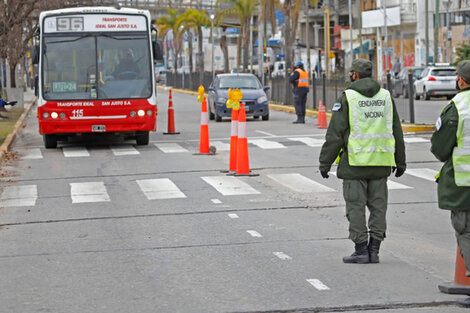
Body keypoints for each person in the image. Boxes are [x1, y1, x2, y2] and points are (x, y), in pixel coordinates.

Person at [319, 59, 406, 264]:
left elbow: (335, 135)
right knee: (379, 208)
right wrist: (400, 161)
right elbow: (396, 131)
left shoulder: (348, 97)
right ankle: (374, 250)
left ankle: (360, 251)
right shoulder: (385, 96)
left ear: (354, 75)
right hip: (381, 163)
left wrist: (325, 163)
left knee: (355, 208)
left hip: (355, 163)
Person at [431, 60, 470, 275]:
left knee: (465, 230)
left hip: (464, 183)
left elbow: (440, 147)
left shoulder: (458, 106)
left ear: (462, 80)